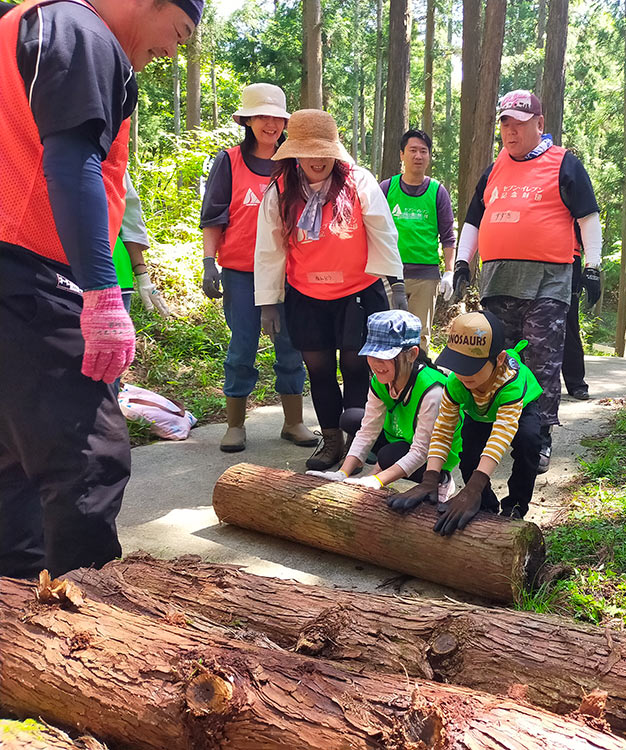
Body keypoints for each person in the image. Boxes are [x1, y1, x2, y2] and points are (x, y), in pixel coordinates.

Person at [0, 0, 202, 580]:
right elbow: (71, 163)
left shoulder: (25, 23)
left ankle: (19, 627)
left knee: (14, 462)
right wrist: (101, 292)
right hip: (28, 278)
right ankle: (89, 638)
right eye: (179, 30)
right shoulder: (82, 31)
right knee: (88, 459)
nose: (173, 49)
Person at [452, 90, 602, 473]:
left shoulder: (563, 163)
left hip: (547, 281)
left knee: (541, 360)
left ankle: (539, 436)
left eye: (519, 123)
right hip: (498, 280)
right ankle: (496, 426)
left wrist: (593, 267)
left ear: (539, 123)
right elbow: (472, 220)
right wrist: (461, 265)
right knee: (498, 357)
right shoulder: (494, 169)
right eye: (505, 123)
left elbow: (588, 217)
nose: (510, 130)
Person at [255, 108, 405, 472]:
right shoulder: (280, 190)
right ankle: (331, 439)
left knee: (356, 366)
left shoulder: (358, 181)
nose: (316, 160)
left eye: (324, 152)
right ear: (295, 152)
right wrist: (268, 302)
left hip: (357, 290)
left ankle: (358, 441)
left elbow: (382, 231)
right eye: (308, 151)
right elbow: (269, 248)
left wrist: (396, 285)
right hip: (306, 294)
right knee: (318, 370)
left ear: (335, 152)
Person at [200, 83, 315, 453]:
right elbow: (213, 217)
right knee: (242, 347)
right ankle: (235, 424)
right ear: (248, 120)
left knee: (291, 346)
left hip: (287, 273)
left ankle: (293, 421)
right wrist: (208, 262)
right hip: (239, 273)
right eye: (262, 116)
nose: (270, 124)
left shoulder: (294, 165)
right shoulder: (229, 161)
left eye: (277, 118)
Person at [391, 311, 544, 532]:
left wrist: (472, 487)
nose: (462, 373)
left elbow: (500, 436)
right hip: (479, 410)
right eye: (458, 364)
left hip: (518, 409)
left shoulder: (510, 383)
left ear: (498, 359)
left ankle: (515, 507)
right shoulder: (458, 382)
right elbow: (443, 430)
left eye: (471, 366)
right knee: (470, 455)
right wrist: (430, 478)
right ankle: (486, 505)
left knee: (528, 444)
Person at [306, 310, 458, 500]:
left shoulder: (432, 391)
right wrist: (342, 474)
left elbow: (420, 452)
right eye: (371, 354)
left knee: (389, 455)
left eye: (385, 356)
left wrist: (375, 480)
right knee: (351, 418)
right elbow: (368, 430)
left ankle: (441, 479)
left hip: (433, 455)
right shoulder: (381, 380)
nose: (376, 364)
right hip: (401, 437)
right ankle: (381, 466)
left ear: (411, 354)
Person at [380, 129, 456, 353]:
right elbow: (374, 231)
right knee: (387, 332)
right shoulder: (386, 188)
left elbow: (448, 236)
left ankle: (417, 382)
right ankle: (386, 384)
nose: (418, 156)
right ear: (402, 155)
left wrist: (449, 272)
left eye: (424, 151)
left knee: (419, 335)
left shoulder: (437, 192)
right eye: (412, 150)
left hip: (425, 276)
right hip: (389, 274)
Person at [115, 171, 171, 316]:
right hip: (56, 270)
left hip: (115, 273)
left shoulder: (113, 152)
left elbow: (128, 218)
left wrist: (143, 277)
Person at [561, 243, 590, 400]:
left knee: (570, 323)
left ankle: (576, 383)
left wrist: (592, 266)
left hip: (569, 257)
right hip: (528, 256)